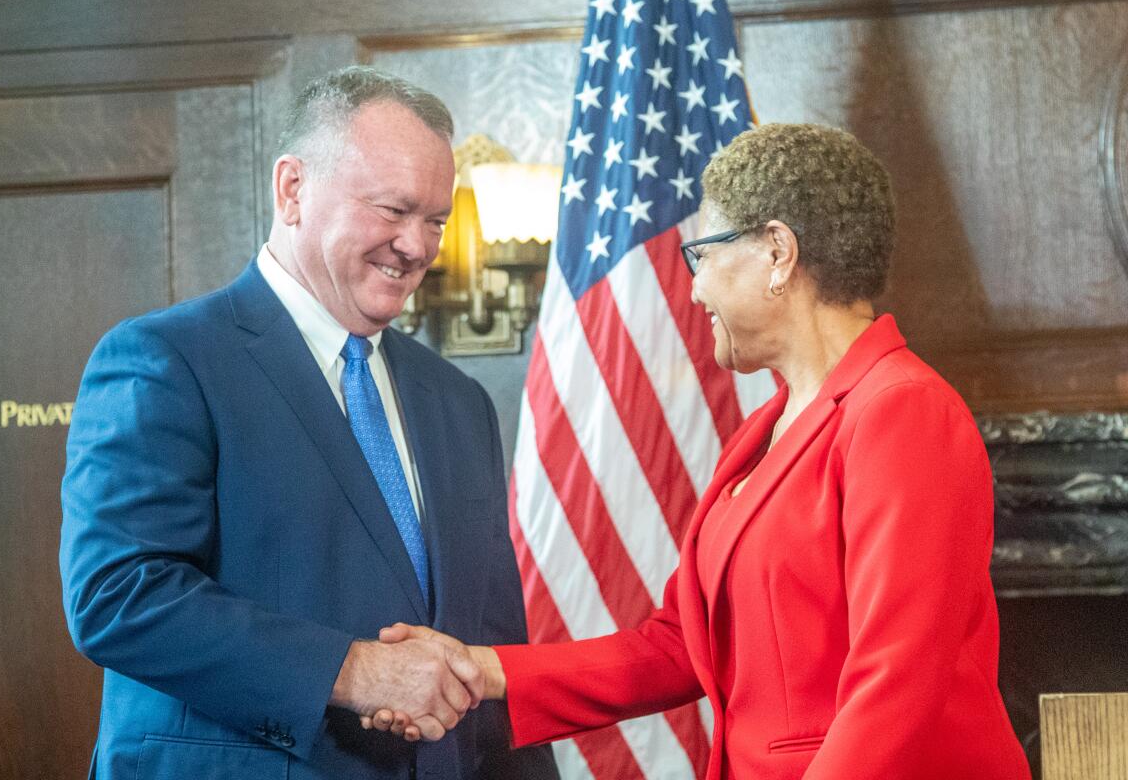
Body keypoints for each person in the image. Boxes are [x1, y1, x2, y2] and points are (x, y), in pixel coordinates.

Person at [365, 124, 1032, 780]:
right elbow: (679, 645)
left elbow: (897, 682)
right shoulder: (764, 433)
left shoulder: (902, 410)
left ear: (778, 252)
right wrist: (483, 671)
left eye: (703, 255)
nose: (693, 288)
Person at [59, 66, 558, 780]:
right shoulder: (166, 360)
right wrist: (352, 670)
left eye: (436, 221)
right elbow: (118, 595)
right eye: (394, 209)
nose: (417, 246)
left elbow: (493, 648)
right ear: (292, 189)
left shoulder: (459, 401)